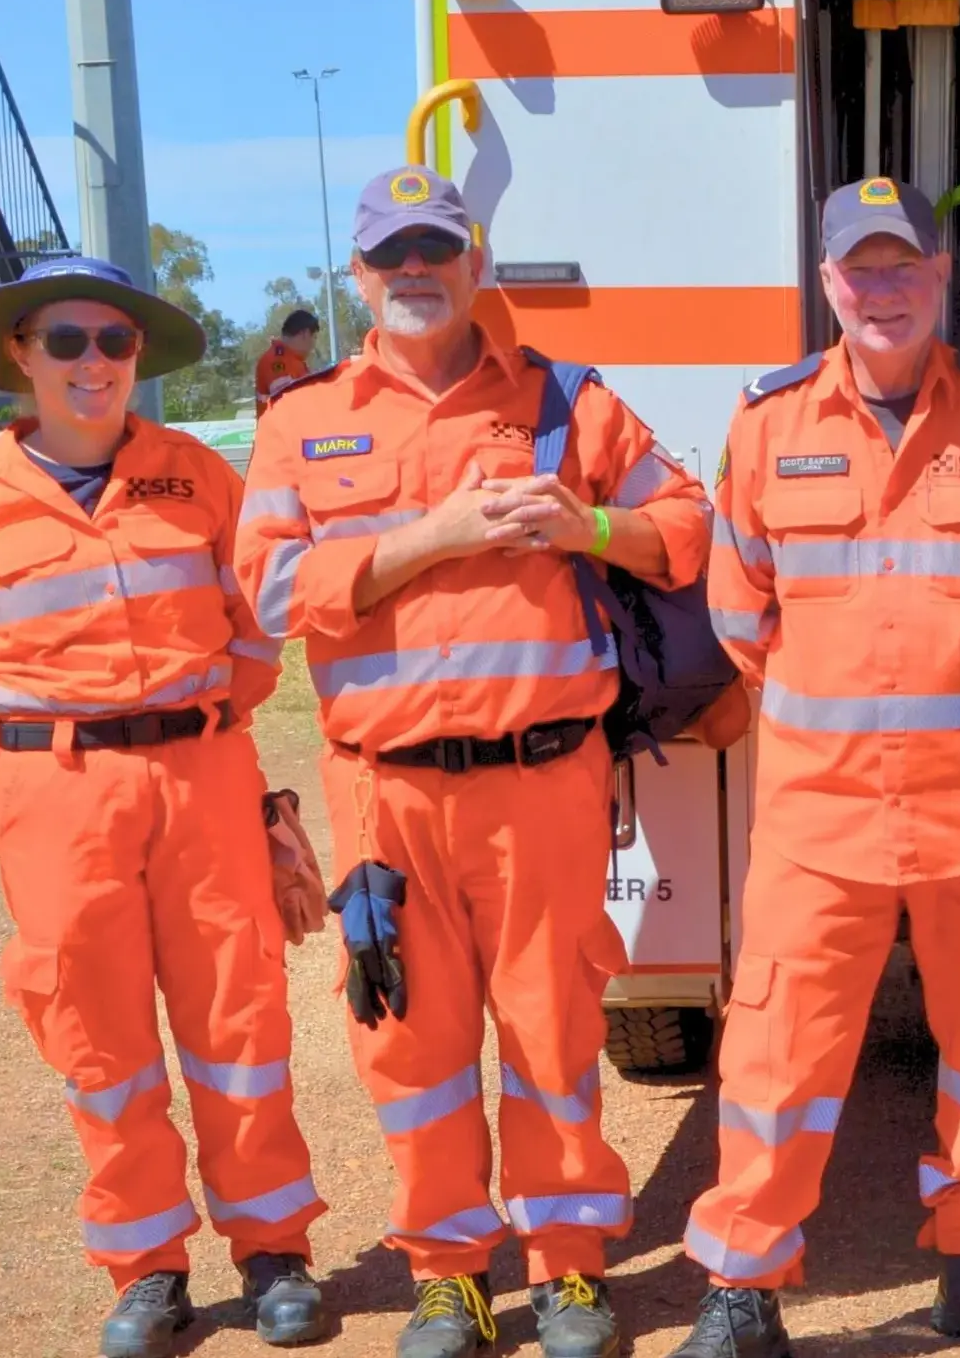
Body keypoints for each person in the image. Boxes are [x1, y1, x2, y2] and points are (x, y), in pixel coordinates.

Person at [233, 167, 713, 1358]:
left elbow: (692, 524)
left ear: (474, 265)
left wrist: (589, 525)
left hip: (542, 778)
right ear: (358, 275)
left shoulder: (564, 402)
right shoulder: (303, 419)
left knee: (552, 1029)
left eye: (437, 248)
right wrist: (425, 539)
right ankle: (449, 1269)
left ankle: (568, 1265)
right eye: (390, 252)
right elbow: (269, 587)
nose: (414, 269)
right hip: (382, 789)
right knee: (412, 1038)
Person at [669, 179, 960, 1358]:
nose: (882, 288)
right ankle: (743, 1283)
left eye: (902, 263)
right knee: (777, 1050)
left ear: (943, 269)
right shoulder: (767, 424)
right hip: (820, 810)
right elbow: (739, 610)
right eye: (858, 268)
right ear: (825, 284)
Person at [0, 255, 330, 1356]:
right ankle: (147, 1265)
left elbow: (259, 624)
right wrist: (41, 738)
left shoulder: (198, 476)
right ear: (20, 355)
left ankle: (274, 1250)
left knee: (240, 1023)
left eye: (113, 342)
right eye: (66, 341)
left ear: (138, 357)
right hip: (56, 793)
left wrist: (209, 729)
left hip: (202, 774)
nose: (93, 363)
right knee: (99, 1034)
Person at [256, 309, 319, 415]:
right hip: (281, 431)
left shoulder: (292, 360)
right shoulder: (277, 361)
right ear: (305, 333)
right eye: (314, 337)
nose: (313, 345)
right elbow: (288, 406)